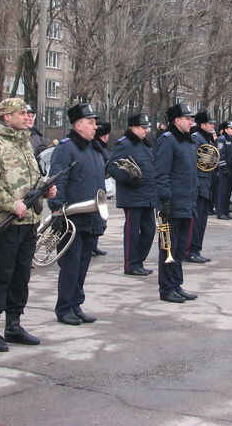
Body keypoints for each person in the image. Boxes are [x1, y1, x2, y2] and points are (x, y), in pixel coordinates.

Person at [0, 98, 54, 352]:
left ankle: (14, 324)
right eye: (20, 113)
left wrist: (44, 191)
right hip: (5, 222)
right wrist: (11, 205)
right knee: (0, 275)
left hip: (28, 222)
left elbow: (30, 181)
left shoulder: (26, 144)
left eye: (27, 113)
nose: (26, 116)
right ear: (6, 117)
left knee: (21, 276)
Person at [49, 103, 106, 325]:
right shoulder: (66, 148)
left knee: (82, 265)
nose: (95, 127)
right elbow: (58, 179)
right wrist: (57, 209)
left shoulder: (94, 148)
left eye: (95, 123)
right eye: (91, 123)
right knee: (70, 266)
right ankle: (64, 308)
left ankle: (76, 304)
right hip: (72, 217)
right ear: (78, 125)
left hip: (91, 217)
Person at [154, 103, 199, 303]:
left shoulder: (188, 142)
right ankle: (166, 288)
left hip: (186, 204)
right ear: (176, 120)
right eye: (187, 118)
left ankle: (176, 284)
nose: (191, 121)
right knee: (168, 248)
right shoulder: (167, 141)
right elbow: (161, 174)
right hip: (172, 205)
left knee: (180, 249)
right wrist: (164, 201)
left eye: (191, 118)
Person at [108, 113, 156, 276]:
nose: (146, 131)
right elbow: (112, 167)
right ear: (133, 128)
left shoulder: (146, 145)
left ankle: (139, 261)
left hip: (148, 195)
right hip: (132, 196)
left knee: (149, 231)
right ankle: (131, 265)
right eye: (143, 128)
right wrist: (129, 179)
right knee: (132, 232)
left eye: (146, 127)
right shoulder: (124, 144)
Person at [187, 109, 218, 263]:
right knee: (196, 221)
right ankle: (190, 250)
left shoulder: (207, 138)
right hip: (199, 184)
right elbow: (194, 162)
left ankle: (196, 249)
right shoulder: (196, 138)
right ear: (202, 124)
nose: (213, 126)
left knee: (202, 220)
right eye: (210, 123)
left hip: (206, 183)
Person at [91, 122, 111, 256]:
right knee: (95, 218)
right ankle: (92, 245)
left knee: (99, 218)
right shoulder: (98, 146)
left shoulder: (99, 146)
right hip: (96, 184)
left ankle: (94, 245)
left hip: (100, 184)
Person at [215, 121, 232, 219]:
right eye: (230, 128)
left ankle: (226, 211)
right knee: (222, 191)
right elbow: (220, 154)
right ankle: (220, 212)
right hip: (223, 169)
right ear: (225, 129)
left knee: (228, 191)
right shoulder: (221, 139)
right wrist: (223, 166)